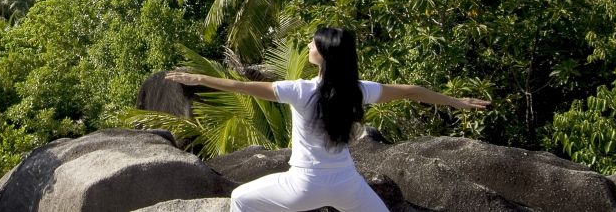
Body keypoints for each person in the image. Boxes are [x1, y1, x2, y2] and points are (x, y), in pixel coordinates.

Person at [165, 27, 491, 212]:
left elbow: (242, 86)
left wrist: (201, 79)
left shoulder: (299, 90)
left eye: (313, 43)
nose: (308, 45)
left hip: (303, 186)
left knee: (240, 199)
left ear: (322, 54)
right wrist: (457, 102)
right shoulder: (359, 90)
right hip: (348, 185)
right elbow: (411, 90)